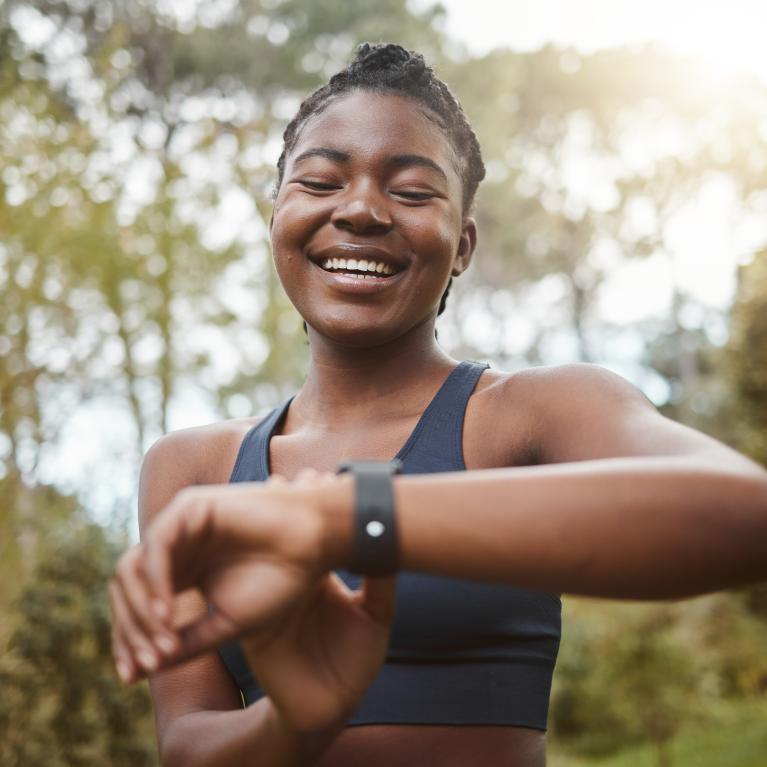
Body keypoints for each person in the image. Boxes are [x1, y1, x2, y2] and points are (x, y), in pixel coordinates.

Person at [109, 43, 767, 767]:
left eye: (413, 191)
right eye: (321, 180)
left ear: (462, 244)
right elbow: (187, 742)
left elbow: (742, 515)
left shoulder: (531, 413)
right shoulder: (191, 468)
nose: (359, 209)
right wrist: (296, 721)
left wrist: (339, 518)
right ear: (276, 217)